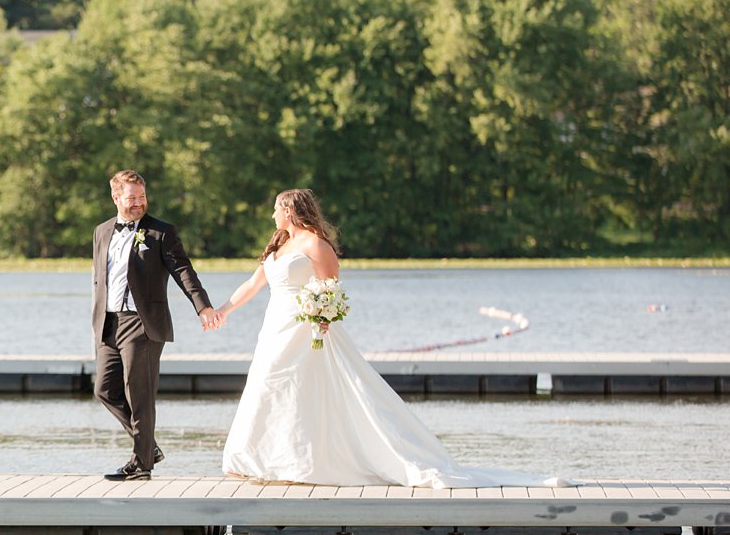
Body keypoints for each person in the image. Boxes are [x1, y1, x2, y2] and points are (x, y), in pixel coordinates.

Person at [216, 188, 569, 488]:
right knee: (266, 386)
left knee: (305, 389)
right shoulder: (278, 245)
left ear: (290, 210)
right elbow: (252, 285)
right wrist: (222, 311)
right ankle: (254, 458)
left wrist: (320, 317)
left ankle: (304, 461)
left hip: (306, 330)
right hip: (274, 329)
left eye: (276, 209)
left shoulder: (317, 245)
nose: (272, 215)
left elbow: (330, 289)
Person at [91, 169, 222, 481]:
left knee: (140, 394)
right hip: (109, 322)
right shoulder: (101, 231)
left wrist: (201, 305)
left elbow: (183, 270)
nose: (139, 203)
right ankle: (148, 447)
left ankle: (141, 463)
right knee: (105, 390)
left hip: (143, 324)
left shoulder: (160, 232)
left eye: (142, 197)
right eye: (132, 198)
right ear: (116, 197)